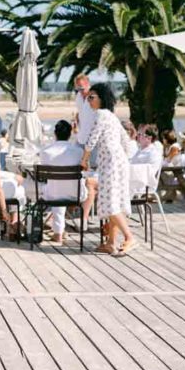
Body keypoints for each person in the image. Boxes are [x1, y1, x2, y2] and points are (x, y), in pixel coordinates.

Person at [80, 83, 136, 256]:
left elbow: (92, 139)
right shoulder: (111, 116)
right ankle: (111, 243)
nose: (88, 101)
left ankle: (130, 237)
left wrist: (84, 160)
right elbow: (126, 141)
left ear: (101, 98)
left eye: (91, 97)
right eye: (87, 97)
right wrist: (122, 158)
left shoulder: (101, 114)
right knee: (114, 201)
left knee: (110, 203)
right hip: (118, 162)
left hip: (110, 163)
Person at [37, 120, 86, 242]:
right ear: (70, 134)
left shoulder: (46, 151)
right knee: (61, 186)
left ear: (55, 134)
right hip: (76, 194)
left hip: (52, 195)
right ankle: (58, 231)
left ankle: (57, 231)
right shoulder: (79, 151)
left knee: (53, 186)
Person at [130, 125, 164, 196]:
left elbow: (149, 173)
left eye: (140, 134)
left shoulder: (153, 153)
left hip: (143, 185)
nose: (138, 136)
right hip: (134, 181)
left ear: (149, 138)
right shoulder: (140, 150)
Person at [73, 74, 95, 150]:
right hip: (81, 134)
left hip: (93, 137)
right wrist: (76, 118)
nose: (80, 91)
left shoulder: (95, 98)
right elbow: (81, 111)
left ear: (88, 85)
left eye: (82, 88)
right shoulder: (78, 96)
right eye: (77, 89)